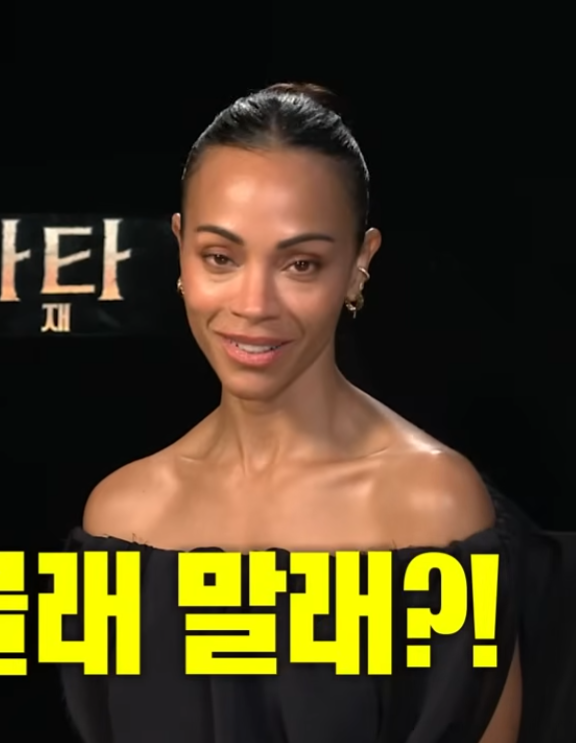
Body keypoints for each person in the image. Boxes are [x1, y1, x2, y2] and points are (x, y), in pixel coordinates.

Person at [62, 83, 544, 742]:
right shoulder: (121, 517)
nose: (253, 303)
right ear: (179, 249)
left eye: (300, 263)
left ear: (359, 263)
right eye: (220, 257)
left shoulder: (429, 503)